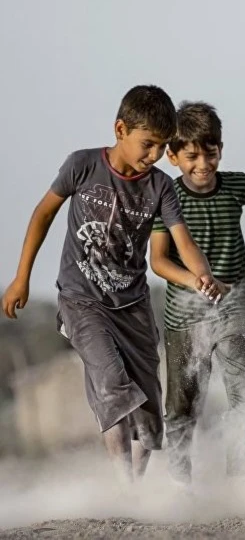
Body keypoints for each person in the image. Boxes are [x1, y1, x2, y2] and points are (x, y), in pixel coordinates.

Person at [0, 84, 226, 484]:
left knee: (151, 413)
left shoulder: (160, 187)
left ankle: (134, 490)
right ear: (120, 129)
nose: (154, 156)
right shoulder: (82, 166)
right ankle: (121, 486)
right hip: (81, 300)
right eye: (148, 144)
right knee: (110, 381)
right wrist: (22, 278)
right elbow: (42, 215)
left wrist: (201, 276)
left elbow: (183, 241)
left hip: (133, 305)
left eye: (161, 147)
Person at [149, 100, 245, 487]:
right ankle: (179, 486)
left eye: (210, 154)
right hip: (184, 315)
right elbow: (158, 261)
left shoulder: (237, 185)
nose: (203, 165)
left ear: (221, 149)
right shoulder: (167, 198)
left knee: (242, 394)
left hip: (234, 304)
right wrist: (194, 280)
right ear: (173, 156)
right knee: (182, 407)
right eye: (191, 156)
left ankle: (239, 482)